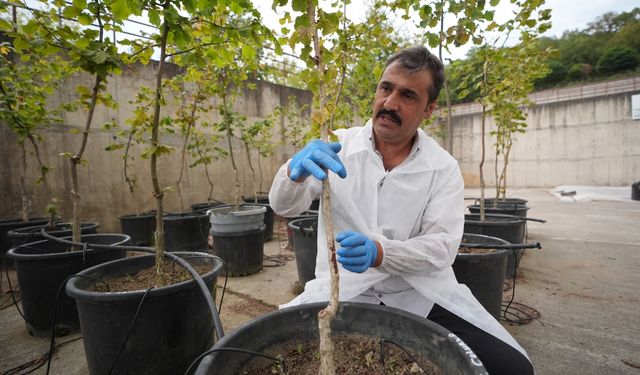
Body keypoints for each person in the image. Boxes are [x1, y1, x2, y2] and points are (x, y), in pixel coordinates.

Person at [268, 46, 534, 375]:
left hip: (418, 294)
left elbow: (441, 247)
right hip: (343, 292)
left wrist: (381, 252)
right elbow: (284, 206)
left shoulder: (442, 167)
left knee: (511, 368)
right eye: (386, 88)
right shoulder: (338, 146)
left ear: (429, 109)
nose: (390, 103)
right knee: (266, 356)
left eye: (408, 95)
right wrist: (294, 171)